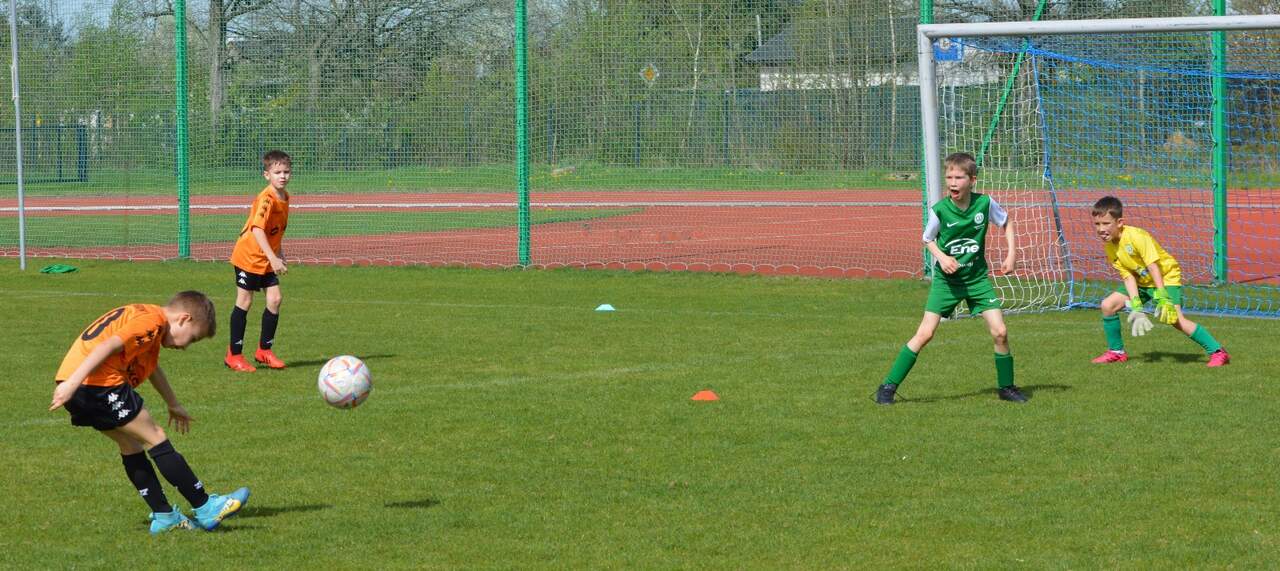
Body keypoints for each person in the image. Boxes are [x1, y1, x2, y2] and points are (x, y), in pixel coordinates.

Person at [50, 291, 250, 534]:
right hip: (96, 384)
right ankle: (206, 507)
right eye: (192, 338)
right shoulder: (152, 323)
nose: (185, 346)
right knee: (155, 437)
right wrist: (73, 383)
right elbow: (108, 345)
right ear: (184, 319)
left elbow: (152, 367)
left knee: (131, 445)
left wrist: (173, 403)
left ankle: (165, 516)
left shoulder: (147, 318)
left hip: (77, 385)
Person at [875, 152, 1026, 405]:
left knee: (1000, 332)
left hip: (977, 280)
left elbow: (1007, 223)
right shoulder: (940, 210)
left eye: (958, 177)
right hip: (947, 283)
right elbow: (927, 239)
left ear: (972, 180)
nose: (952, 183)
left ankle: (1007, 388)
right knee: (925, 333)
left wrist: (1011, 255)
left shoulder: (985, 203)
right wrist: (943, 258)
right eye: (949, 177)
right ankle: (887, 387)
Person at [1089, 196, 1229, 366]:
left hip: (1165, 278)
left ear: (1119, 222)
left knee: (1175, 319)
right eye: (1097, 224)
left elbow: (1153, 267)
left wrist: (1162, 296)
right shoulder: (1110, 245)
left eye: (1106, 223)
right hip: (1141, 281)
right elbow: (1128, 276)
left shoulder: (1137, 236)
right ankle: (1116, 352)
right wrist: (1136, 304)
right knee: (1108, 305)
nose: (1101, 229)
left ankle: (1217, 351)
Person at [225, 149, 292, 372]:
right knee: (245, 301)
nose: (282, 176)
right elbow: (257, 229)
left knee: (275, 299)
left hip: (267, 258)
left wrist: (279, 253)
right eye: (277, 172)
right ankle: (234, 355)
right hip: (249, 257)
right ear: (266, 175)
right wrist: (273, 257)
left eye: (286, 172)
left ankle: (264, 351)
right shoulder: (266, 199)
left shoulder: (285, 197)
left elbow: (275, 231)